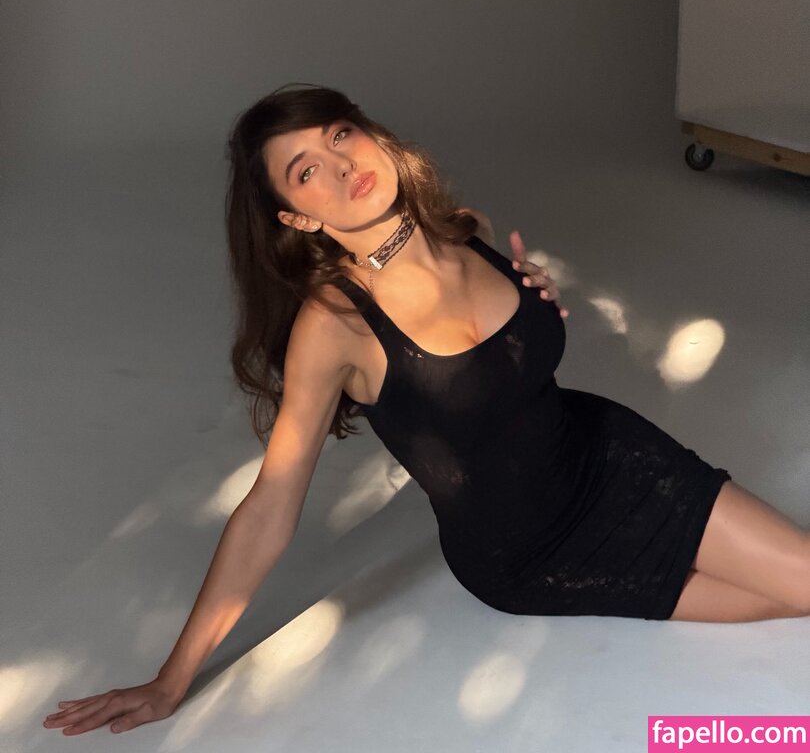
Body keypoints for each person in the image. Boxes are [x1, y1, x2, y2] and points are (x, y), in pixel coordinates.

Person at [43, 83, 809, 737]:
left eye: (340, 135)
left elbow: (508, 367)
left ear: (371, 134)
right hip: (526, 555)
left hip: (611, 457)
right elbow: (271, 504)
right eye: (307, 171)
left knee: (800, 584)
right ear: (296, 217)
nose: (342, 166)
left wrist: (534, 304)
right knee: (792, 594)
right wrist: (171, 680)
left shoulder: (462, 230)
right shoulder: (335, 326)